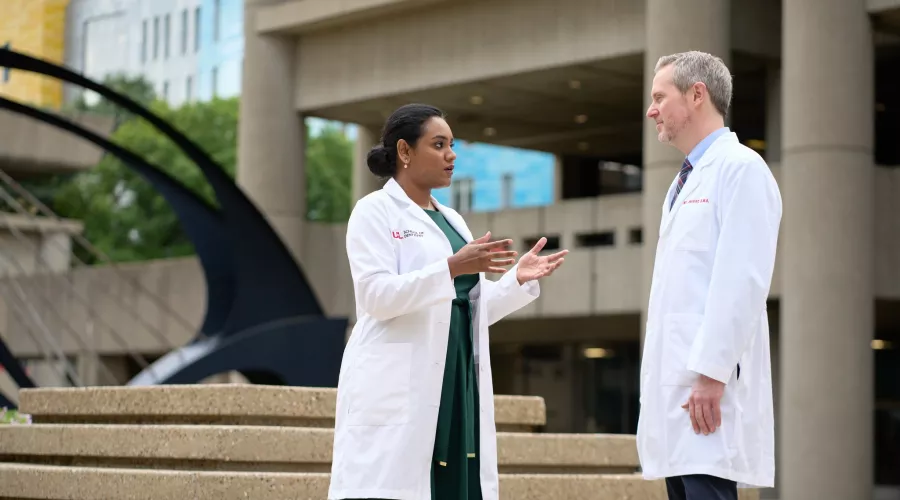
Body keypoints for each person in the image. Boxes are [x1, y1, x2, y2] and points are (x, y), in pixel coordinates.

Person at [328, 103, 568, 500]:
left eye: (452, 145)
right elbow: (376, 296)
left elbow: (467, 308)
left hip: (456, 376)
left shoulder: (453, 220)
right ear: (404, 152)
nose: (451, 155)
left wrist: (515, 281)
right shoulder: (373, 212)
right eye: (438, 145)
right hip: (401, 384)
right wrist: (451, 267)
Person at [636, 51, 782, 500]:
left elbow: (742, 279)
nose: (651, 109)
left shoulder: (740, 169)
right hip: (678, 397)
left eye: (660, 96)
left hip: (708, 394)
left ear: (697, 94)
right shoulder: (683, 183)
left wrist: (712, 374)